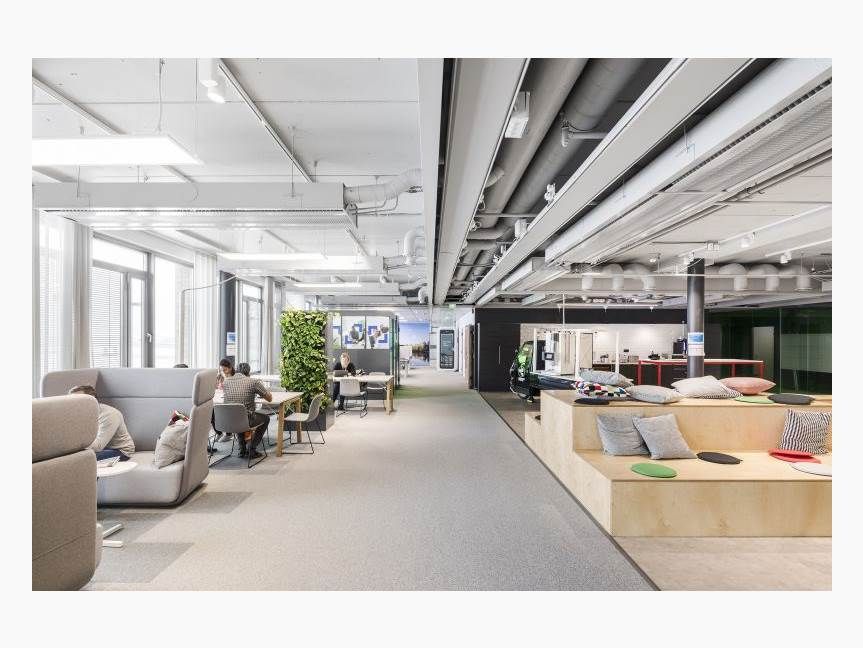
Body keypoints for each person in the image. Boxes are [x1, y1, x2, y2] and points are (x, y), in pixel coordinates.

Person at [68, 385, 136, 461]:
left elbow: (98, 446)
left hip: (120, 450)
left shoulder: (109, 414)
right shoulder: (81, 414)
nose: (73, 404)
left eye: (78, 400)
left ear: (92, 400)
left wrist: (74, 444)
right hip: (101, 447)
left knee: (81, 458)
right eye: (71, 401)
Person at [222, 370, 273, 460]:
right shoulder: (253, 382)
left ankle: (242, 450)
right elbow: (269, 399)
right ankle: (251, 449)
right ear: (249, 373)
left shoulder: (226, 381)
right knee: (265, 419)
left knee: (237, 415)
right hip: (246, 420)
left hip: (228, 420)